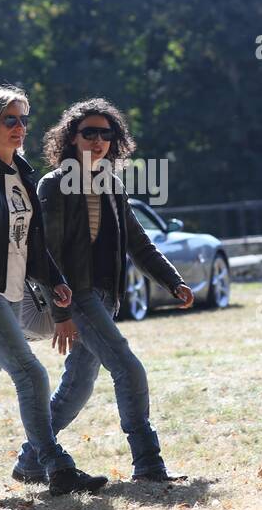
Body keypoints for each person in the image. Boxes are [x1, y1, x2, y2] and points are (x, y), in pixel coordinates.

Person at [0, 85, 108, 498]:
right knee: (30, 373)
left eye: (24, 119)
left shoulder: (22, 175)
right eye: (10, 119)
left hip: (11, 292)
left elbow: (31, 242)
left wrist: (55, 280)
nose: (20, 127)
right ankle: (55, 465)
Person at [13, 98, 194, 484]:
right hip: (75, 295)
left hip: (105, 297)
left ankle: (30, 461)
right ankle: (148, 462)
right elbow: (47, 253)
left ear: (115, 141)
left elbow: (138, 243)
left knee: (77, 387)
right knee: (129, 369)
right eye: (88, 132)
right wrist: (61, 315)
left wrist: (173, 281)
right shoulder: (55, 184)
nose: (97, 140)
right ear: (71, 138)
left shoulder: (111, 184)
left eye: (105, 134)